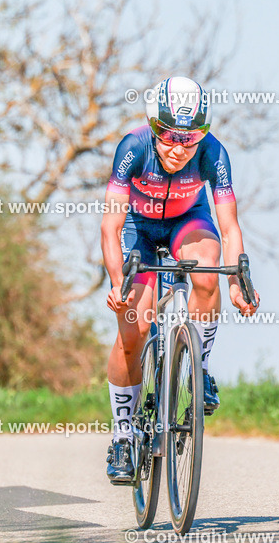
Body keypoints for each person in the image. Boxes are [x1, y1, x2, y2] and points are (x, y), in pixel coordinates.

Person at [100, 76, 261, 484]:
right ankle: (123, 434)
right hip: (140, 228)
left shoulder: (213, 154)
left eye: (190, 138)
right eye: (170, 136)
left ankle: (199, 370)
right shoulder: (132, 148)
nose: (179, 147)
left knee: (206, 270)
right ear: (154, 127)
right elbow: (110, 224)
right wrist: (118, 281)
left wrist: (238, 281)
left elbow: (229, 226)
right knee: (132, 331)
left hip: (188, 222)